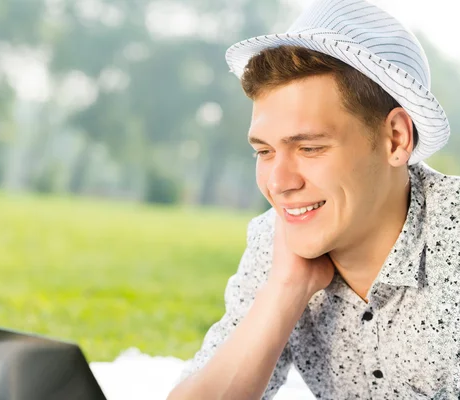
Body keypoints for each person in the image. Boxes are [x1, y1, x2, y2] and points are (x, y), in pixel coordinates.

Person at [167, 0, 460, 399]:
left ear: (396, 139)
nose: (279, 184)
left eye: (309, 148)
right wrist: (287, 287)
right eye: (264, 151)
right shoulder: (278, 239)